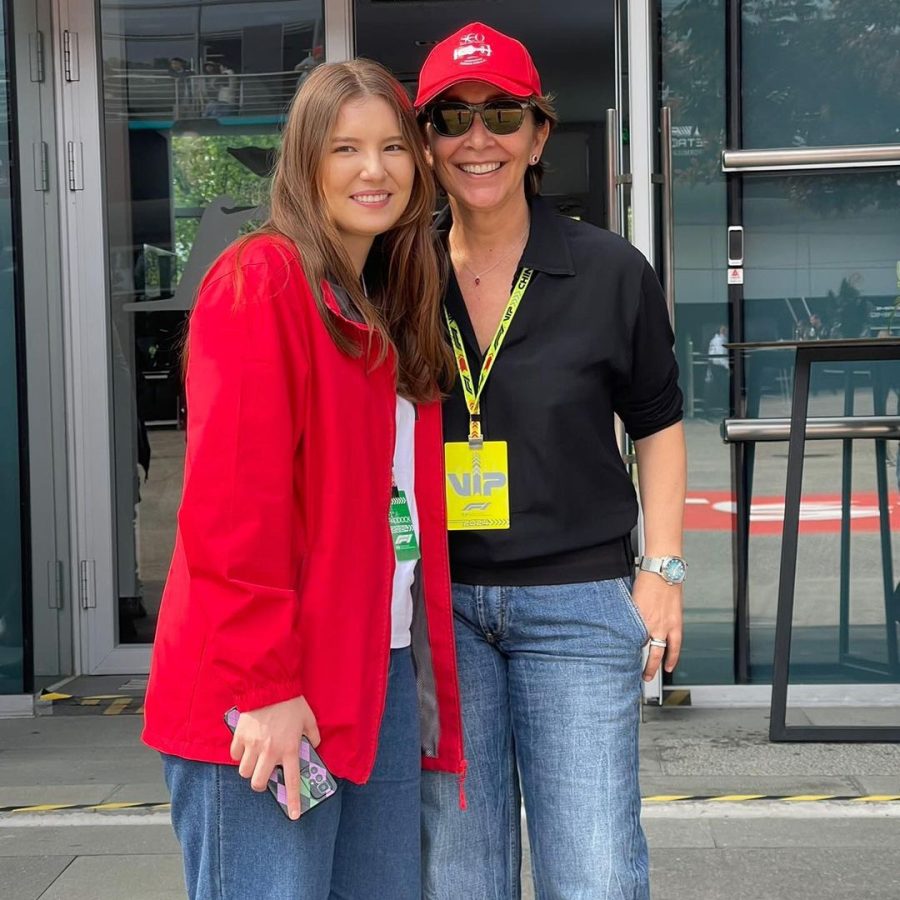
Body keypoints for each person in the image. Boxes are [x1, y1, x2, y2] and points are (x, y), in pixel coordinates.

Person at [142, 59, 465, 900]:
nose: (374, 169)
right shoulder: (265, 278)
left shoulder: (379, 297)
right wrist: (265, 689)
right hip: (273, 693)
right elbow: (230, 510)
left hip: (375, 678)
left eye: (394, 146)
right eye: (346, 147)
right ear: (304, 162)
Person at [415, 23, 686, 900]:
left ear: (539, 134)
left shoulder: (610, 270)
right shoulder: (398, 272)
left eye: (503, 114)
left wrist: (663, 572)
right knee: (460, 875)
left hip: (574, 603)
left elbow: (658, 422)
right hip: (439, 609)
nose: (477, 138)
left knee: (595, 873)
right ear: (428, 143)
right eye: (453, 117)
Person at [706, 323, 729, 414]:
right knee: (724, 387)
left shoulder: (717, 340)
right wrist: (728, 367)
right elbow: (720, 357)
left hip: (717, 365)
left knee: (721, 387)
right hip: (718, 367)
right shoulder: (719, 341)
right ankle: (724, 407)